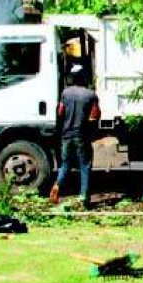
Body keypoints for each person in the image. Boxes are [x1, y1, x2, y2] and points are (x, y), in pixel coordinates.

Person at [49, 66, 101, 208]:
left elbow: (60, 112)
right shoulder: (91, 95)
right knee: (85, 165)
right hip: (81, 135)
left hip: (66, 135)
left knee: (65, 164)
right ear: (84, 77)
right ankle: (84, 197)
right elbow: (94, 115)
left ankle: (57, 186)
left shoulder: (65, 93)